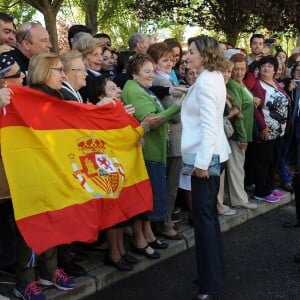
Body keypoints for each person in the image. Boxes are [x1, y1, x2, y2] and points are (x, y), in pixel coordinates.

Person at [181, 35, 231, 300]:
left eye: (191, 51)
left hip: (207, 159)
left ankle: (209, 284)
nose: (187, 55)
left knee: (205, 222)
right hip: (210, 156)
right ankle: (211, 276)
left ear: (205, 54)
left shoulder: (207, 82)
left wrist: (201, 164)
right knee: (206, 220)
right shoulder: (208, 78)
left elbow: (211, 125)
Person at [24, 53, 77, 297]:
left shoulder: (57, 95)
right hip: (36, 172)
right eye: (59, 70)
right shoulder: (31, 98)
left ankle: (50, 270)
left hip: (54, 169)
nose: (64, 75)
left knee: (54, 220)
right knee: (36, 224)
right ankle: (28, 280)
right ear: (44, 71)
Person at [122, 53, 181, 259]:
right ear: (135, 74)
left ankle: (147, 234)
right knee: (143, 199)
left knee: (148, 198)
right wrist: (177, 106)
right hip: (147, 153)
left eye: (152, 71)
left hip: (154, 151)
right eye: (146, 72)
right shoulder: (133, 90)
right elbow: (152, 120)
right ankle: (139, 239)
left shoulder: (142, 88)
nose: (151, 75)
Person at [147, 42, 185, 239]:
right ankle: (164, 223)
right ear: (154, 62)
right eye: (164, 60)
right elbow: (175, 114)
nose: (169, 63)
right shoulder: (160, 81)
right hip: (171, 140)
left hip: (172, 139)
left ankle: (163, 222)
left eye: (171, 59)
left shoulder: (168, 78)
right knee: (169, 187)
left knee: (169, 186)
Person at [249, 55, 289, 202]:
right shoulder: (258, 85)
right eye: (264, 66)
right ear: (259, 69)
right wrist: (263, 127)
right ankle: (261, 191)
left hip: (279, 130)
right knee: (262, 162)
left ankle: (270, 187)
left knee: (273, 160)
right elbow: (256, 109)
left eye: (270, 66)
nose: (266, 68)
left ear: (275, 70)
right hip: (266, 130)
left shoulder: (276, 83)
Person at [0, 54, 25, 277]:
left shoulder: (21, 100)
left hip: (15, 180)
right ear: (3, 82)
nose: (23, 76)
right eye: (17, 74)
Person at [226, 53, 258, 210]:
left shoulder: (241, 83)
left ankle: (235, 197)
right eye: (235, 69)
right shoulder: (232, 84)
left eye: (242, 69)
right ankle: (240, 200)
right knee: (237, 168)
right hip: (238, 134)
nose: (238, 72)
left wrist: (253, 101)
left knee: (237, 166)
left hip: (243, 131)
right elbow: (237, 113)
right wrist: (243, 138)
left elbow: (245, 103)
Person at [73, 37, 103, 103]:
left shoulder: (95, 76)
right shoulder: (84, 79)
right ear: (82, 56)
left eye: (101, 54)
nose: (100, 58)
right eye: (95, 55)